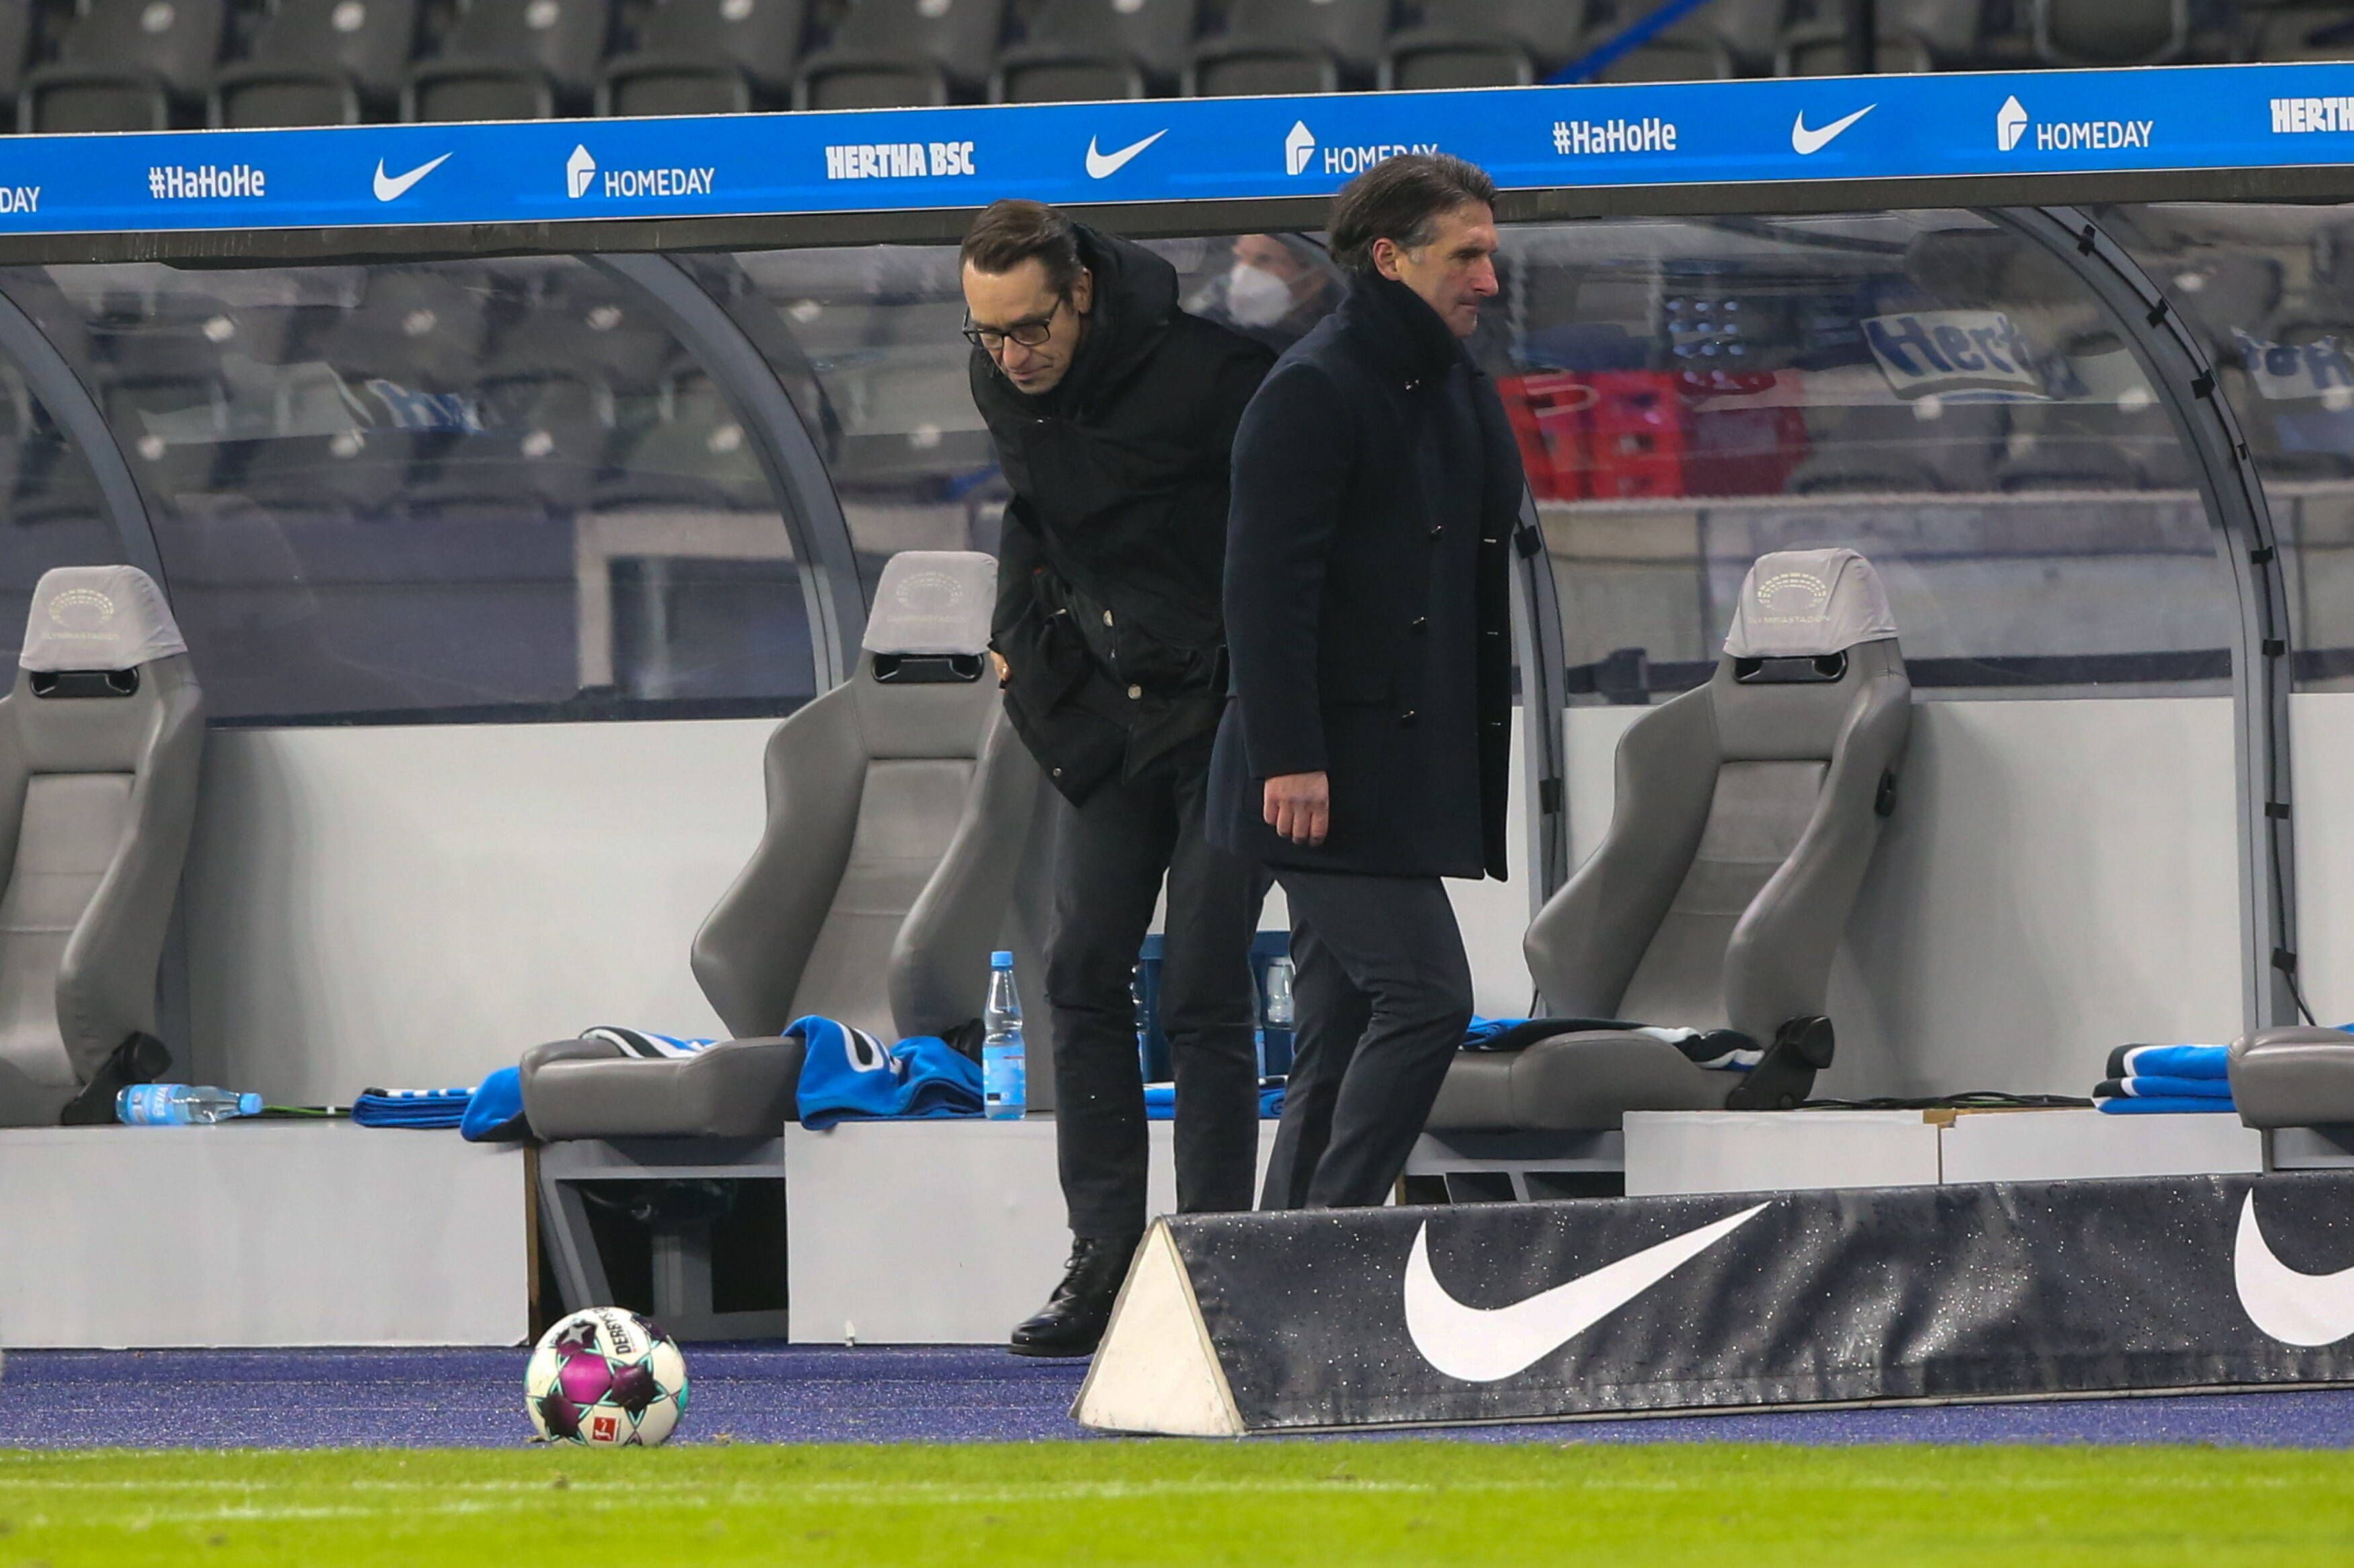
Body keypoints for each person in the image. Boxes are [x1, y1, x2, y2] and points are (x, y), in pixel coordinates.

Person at [962, 200, 1275, 1354]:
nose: (1012, 356)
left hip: (1227, 711)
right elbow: (1032, 520)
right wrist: (1020, 649)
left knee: (1202, 983)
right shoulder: (1003, 383)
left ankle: (1210, 1262)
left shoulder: (1219, 376)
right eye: (988, 335)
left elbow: (1292, 534)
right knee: (1081, 969)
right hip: (1110, 713)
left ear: (1080, 291)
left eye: (1030, 328)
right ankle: (1103, 1259)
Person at [1208, 155, 1523, 1210]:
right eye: (1466, 255)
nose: (1488, 278)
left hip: (1404, 764)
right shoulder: (1312, 386)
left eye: (1491, 251)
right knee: (1429, 1000)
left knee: (1337, 1038)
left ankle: (1269, 1274)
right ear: (1389, 258)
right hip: (1319, 774)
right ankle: (1330, 1248)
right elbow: (1264, 595)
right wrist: (1290, 757)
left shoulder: (1452, 380)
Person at [1207, 233, 1342, 352]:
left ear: (1316, 275)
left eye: (1264, 260)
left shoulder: (1345, 330)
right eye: (1240, 258)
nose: (1244, 273)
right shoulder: (1214, 330)